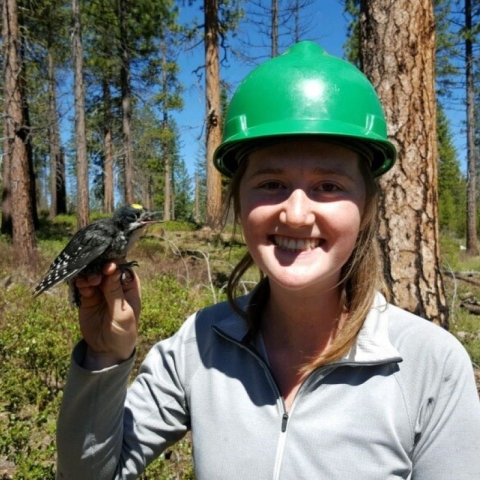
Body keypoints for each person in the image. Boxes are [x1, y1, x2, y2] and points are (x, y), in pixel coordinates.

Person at [56, 42, 480, 480]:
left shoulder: (429, 366)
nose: (296, 214)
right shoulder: (198, 344)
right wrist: (104, 358)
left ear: (366, 208)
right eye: (272, 183)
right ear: (239, 203)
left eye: (329, 186)